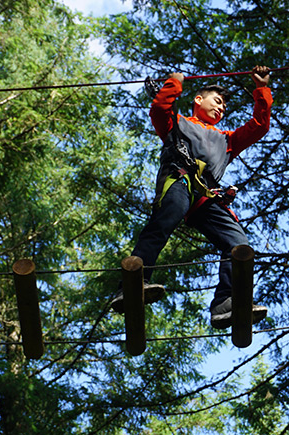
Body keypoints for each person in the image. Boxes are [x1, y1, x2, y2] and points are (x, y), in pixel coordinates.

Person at [112, 66, 273, 329]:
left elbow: (259, 126)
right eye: (217, 101)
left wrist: (261, 88)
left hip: (206, 196)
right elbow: (159, 110)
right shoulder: (179, 123)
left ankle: (226, 301)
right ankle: (132, 283)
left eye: (224, 108)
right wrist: (174, 83)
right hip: (179, 177)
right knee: (167, 217)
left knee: (239, 245)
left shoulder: (227, 140)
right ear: (199, 100)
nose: (220, 109)